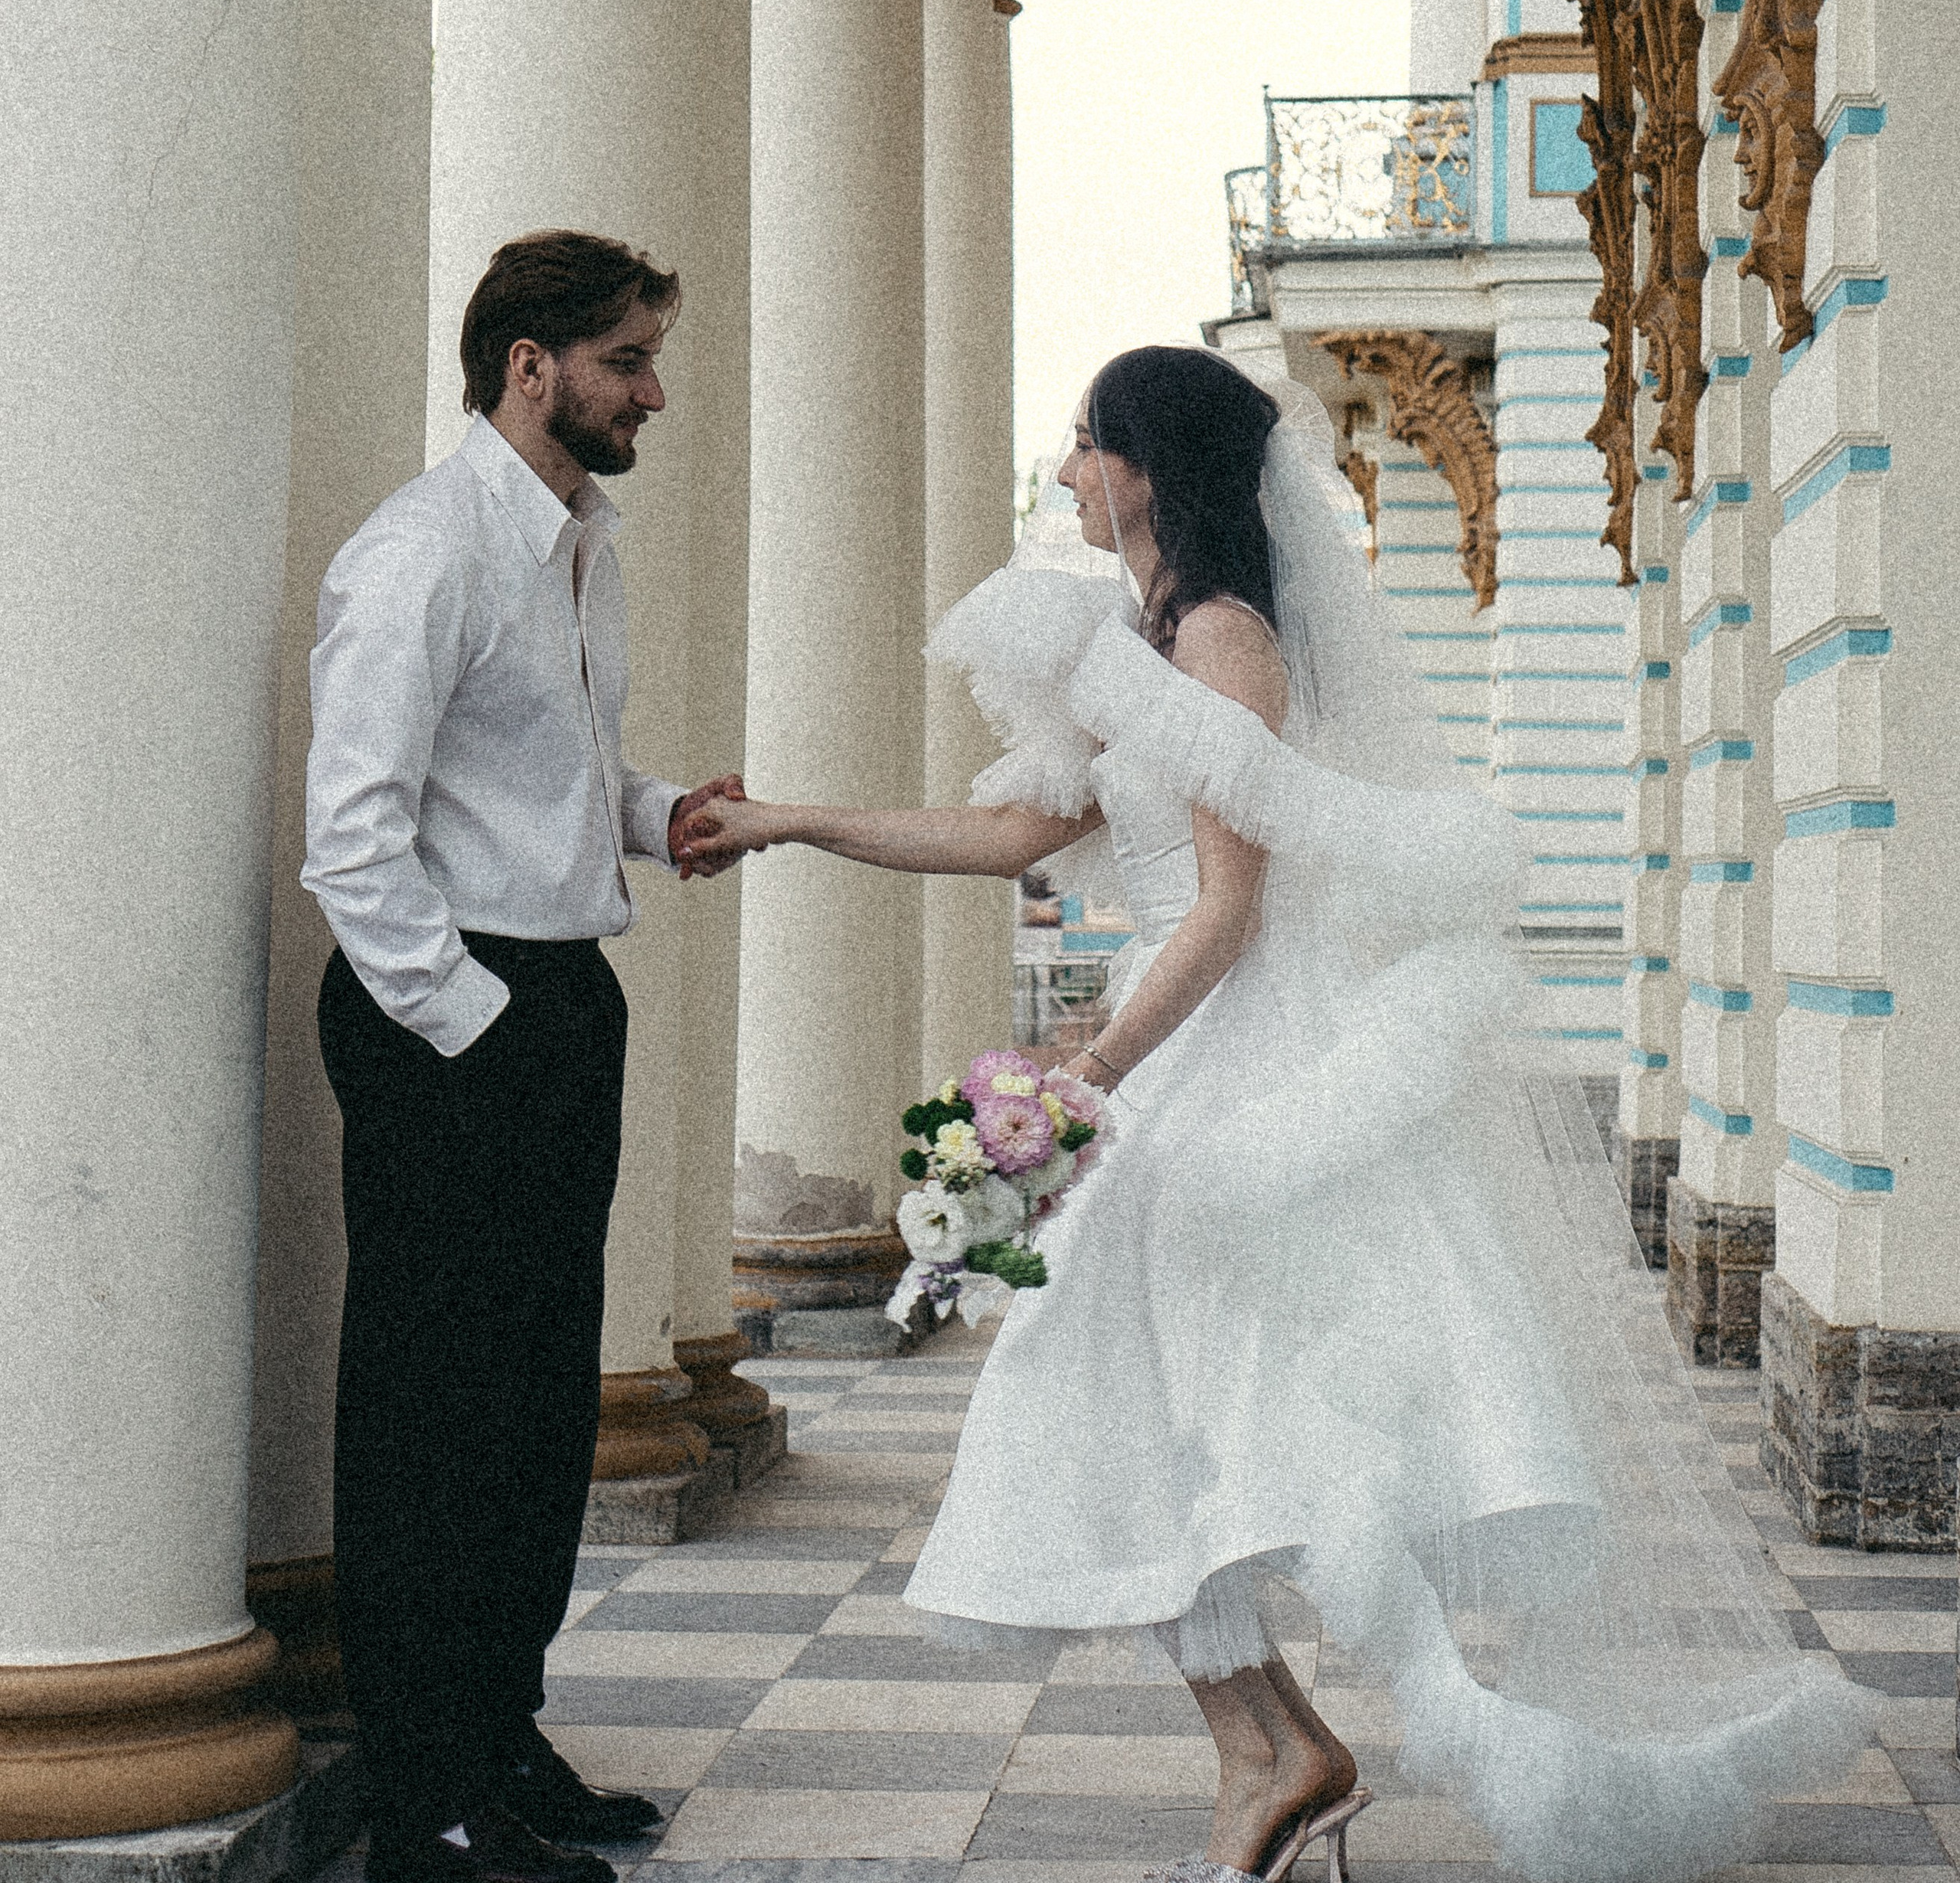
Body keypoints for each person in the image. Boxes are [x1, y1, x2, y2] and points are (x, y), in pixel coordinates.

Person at [679, 345, 1876, 1883]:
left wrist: (1091, 1072)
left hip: (1248, 1059)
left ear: (1145, 468)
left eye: (1079, 445)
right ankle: (1269, 1749)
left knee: (1149, 1396)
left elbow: (1229, 909)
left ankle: (1270, 1750)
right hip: (1186, 1052)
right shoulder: (1142, 642)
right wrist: (787, 821)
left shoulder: (1223, 644)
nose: (1059, 474)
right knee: (1127, 1397)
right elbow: (1012, 832)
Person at [305, 230, 740, 1883]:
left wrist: (654, 814)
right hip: (447, 1017)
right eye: (628, 359)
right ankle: (426, 1800)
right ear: (528, 366)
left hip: (557, 998)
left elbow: (537, 776)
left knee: (540, 1395)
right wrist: (477, 1029)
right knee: (433, 1413)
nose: (651, 391)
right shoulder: (420, 553)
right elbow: (352, 839)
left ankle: (498, 1730)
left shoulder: (576, 542)